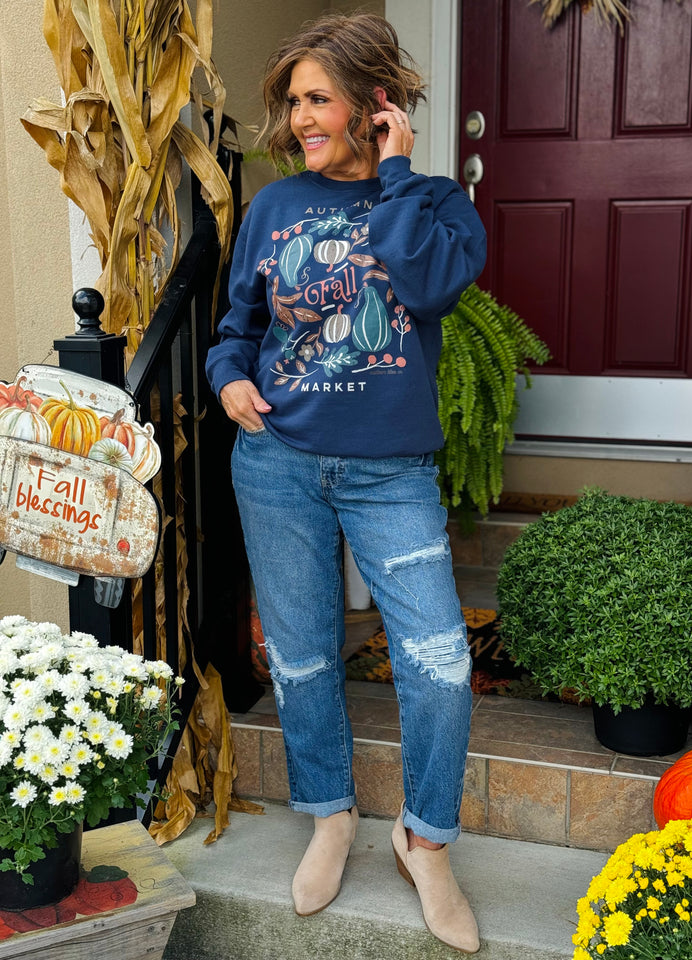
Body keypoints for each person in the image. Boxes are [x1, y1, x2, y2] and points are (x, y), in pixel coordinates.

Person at [206, 11, 487, 954]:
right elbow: (237, 325)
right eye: (293, 102)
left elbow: (429, 286)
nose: (299, 119)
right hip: (277, 460)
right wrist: (228, 378)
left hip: (389, 473)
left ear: (375, 105)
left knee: (440, 663)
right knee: (302, 655)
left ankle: (424, 840)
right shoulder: (275, 207)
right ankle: (330, 814)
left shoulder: (438, 204)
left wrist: (398, 172)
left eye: (317, 99)